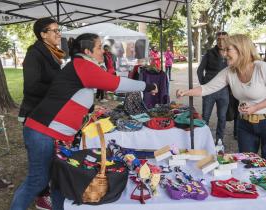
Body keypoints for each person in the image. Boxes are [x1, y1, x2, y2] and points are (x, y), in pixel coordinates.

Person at [10, 33, 158, 210]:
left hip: (54, 133)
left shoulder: (83, 65)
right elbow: (116, 84)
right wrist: (148, 86)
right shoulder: (82, 65)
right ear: (87, 51)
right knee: (37, 181)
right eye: (98, 47)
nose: (102, 51)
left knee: (60, 180)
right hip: (43, 131)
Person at [177, 34, 266, 170]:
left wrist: (256, 107)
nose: (224, 54)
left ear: (241, 50)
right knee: (245, 165)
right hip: (245, 125)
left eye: (228, 50)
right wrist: (186, 92)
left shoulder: (261, 68)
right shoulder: (229, 72)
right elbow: (207, 88)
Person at [17, 17, 65, 210]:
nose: (58, 33)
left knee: (49, 168)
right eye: (54, 30)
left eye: (58, 29)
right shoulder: (34, 53)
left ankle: (46, 198)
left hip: (48, 118)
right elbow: (31, 86)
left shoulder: (52, 53)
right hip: (36, 118)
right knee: (37, 177)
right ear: (43, 34)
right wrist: (61, 90)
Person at [196, 31, 229, 143]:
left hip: (224, 91)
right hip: (209, 90)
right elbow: (200, 70)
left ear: (228, 39)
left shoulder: (231, 53)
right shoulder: (210, 53)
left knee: (222, 117)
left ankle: (219, 140)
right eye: (219, 39)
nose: (221, 41)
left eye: (224, 39)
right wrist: (204, 85)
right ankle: (203, 140)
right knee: (205, 116)